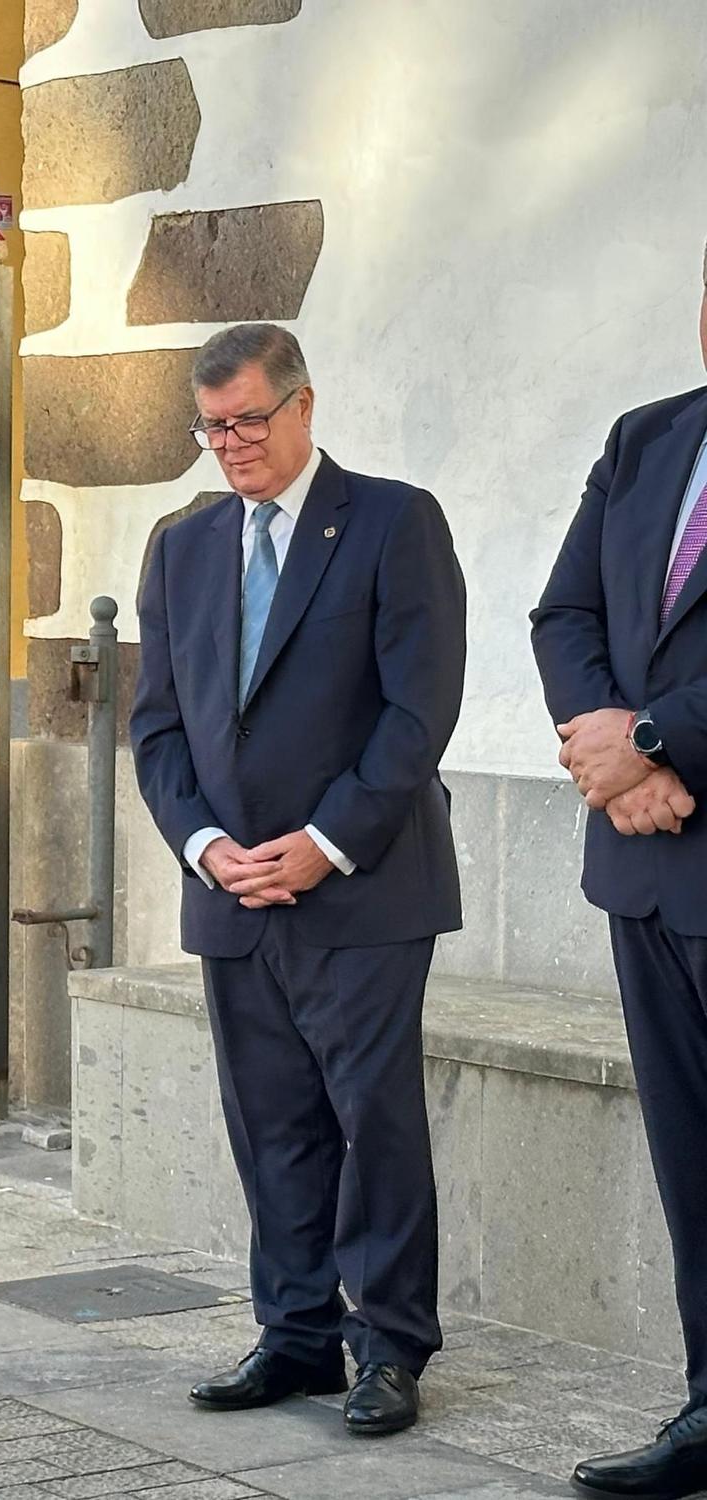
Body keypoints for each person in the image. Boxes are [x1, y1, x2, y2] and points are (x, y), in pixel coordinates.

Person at [129, 323, 467, 1437]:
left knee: (371, 1123)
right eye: (209, 426)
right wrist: (201, 847)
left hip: (361, 887)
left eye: (246, 421)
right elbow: (159, 728)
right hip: (231, 890)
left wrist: (324, 841)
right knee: (267, 1121)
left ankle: (387, 1347)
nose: (227, 444)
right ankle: (293, 1335)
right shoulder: (177, 546)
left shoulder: (388, 522)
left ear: (302, 405)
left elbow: (417, 713)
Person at [533, 246, 707, 1500]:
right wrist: (611, 755)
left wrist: (657, 738)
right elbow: (565, 615)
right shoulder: (646, 438)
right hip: (642, 870)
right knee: (690, 1163)